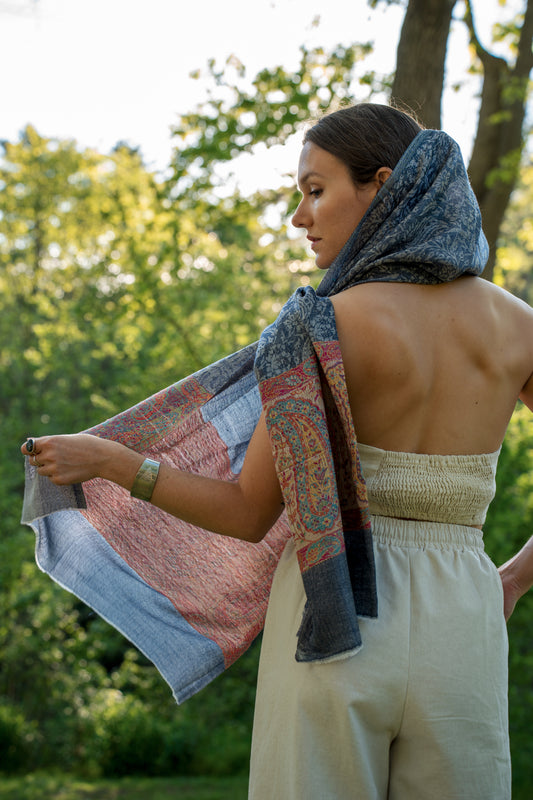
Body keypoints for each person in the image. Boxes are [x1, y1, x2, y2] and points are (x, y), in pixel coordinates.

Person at [21, 103, 533, 799]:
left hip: (338, 610)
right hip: (464, 616)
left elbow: (246, 511)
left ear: (382, 185)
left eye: (315, 190)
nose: (299, 217)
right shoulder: (516, 326)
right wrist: (511, 580)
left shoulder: (319, 326)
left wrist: (111, 461)